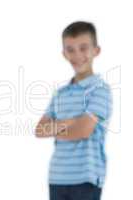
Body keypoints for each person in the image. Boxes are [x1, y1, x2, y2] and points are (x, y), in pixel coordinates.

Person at [35, 21, 112, 200]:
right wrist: (72, 122)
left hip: (86, 179)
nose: (77, 55)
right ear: (64, 54)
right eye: (70, 49)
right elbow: (39, 130)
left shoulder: (100, 90)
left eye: (83, 48)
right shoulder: (60, 94)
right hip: (57, 177)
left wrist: (56, 127)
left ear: (96, 50)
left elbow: (84, 130)